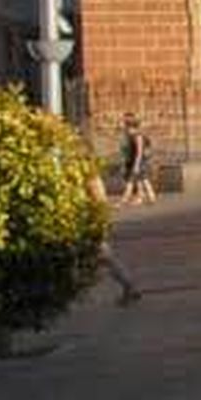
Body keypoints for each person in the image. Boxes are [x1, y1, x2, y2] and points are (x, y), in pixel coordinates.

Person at [87, 163, 141, 305]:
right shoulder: (92, 178)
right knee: (104, 258)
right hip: (95, 222)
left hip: (93, 223)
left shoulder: (91, 179)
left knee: (104, 257)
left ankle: (129, 286)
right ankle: (129, 286)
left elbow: (98, 202)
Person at [119, 114, 156, 206]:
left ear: (128, 125)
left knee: (131, 180)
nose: (120, 124)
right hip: (134, 161)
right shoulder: (129, 135)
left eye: (122, 122)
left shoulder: (137, 136)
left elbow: (139, 152)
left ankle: (124, 200)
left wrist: (136, 164)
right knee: (142, 179)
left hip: (139, 161)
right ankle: (148, 196)